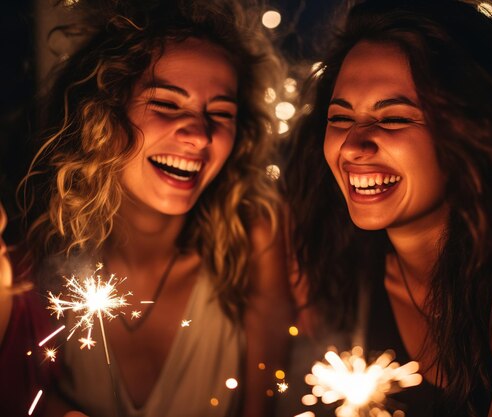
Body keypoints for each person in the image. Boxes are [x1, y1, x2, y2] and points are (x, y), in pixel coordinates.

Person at [284, 0, 492, 416]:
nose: (354, 146)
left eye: (393, 119)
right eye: (340, 119)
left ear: (475, 129)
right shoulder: (332, 259)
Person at [1, 1, 292, 416]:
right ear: (103, 112)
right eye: (167, 104)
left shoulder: (254, 243)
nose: (199, 134)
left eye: (221, 113)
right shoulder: (32, 265)